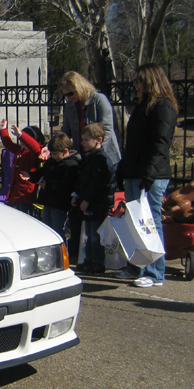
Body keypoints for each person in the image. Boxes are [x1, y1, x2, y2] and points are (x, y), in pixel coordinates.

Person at [117, 63, 177, 288]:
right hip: (135, 171)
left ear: (151, 81)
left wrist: (149, 174)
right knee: (135, 222)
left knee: (150, 223)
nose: (135, 85)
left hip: (152, 174)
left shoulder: (163, 106)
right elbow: (132, 143)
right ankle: (136, 266)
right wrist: (123, 168)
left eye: (139, 80)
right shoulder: (142, 106)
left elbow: (161, 143)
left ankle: (155, 272)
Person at [58, 71, 120, 261]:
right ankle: (85, 255)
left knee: (98, 207)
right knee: (83, 212)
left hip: (102, 157)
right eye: (66, 95)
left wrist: (95, 149)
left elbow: (107, 129)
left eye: (71, 94)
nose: (69, 98)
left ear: (79, 88)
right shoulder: (70, 106)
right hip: (82, 159)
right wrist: (57, 146)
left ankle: (101, 256)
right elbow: (66, 132)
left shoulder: (98, 100)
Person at [71, 123, 113, 274]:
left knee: (95, 235)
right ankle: (89, 259)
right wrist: (76, 194)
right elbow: (82, 179)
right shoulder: (89, 158)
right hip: (88, 202)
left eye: (86, 140)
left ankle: (97, 261)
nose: (83, 143)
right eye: (82, 140)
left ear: (98, 140)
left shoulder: (100, 159)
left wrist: (87, 200)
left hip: (97, 204)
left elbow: (98, 183)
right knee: (88, 234)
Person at [32, 132, 80, 244]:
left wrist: (47, 185)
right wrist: (31, 176)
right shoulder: (52, 162)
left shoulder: (70, 165)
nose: (52, 157)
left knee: (58, 231)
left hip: (59, 204)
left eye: (54, 154)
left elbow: (66, 185)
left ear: (65, 151)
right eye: (51, 154)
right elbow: (41, 172)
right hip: (49, 201)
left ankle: (63, 255)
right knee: (47, 229)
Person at [0, 118, 48, 213]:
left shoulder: (35, 153)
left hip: (26, 194)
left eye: (24, 139)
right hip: (16, 192)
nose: (21, 141)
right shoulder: (20, 150)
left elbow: (34, 146)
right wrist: (3, 129)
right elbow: (8, 144)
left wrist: (22, 135)